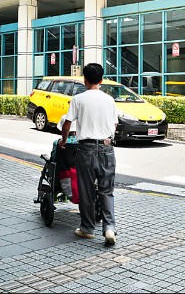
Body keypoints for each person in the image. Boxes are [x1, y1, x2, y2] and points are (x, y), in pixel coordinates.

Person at [59, 63, 118, 245]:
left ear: (84, 80)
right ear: (101, 80)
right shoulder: (110, 100)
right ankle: (109, 228)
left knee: (86, 191)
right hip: (107, 148)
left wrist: (63, 140)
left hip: (86, 149)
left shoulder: (78, 99)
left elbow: (67, 124)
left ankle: (87, 228)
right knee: (106, 191)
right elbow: (114, 125)